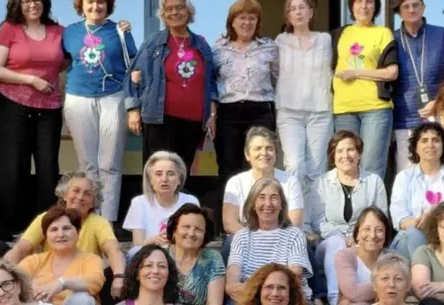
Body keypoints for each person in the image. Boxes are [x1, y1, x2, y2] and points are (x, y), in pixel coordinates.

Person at [126, 0, 218, 202]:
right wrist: (133, 109)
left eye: (180, 8)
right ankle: (152, 215)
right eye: (169, 9)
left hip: (193, 121)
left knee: (181, 175)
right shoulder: (153, 42)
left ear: (189, 12)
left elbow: (211, 81)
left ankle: (177, 217)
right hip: (159, 120)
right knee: (158, 173)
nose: (175, 12)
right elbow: (133, 75)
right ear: (163, 14)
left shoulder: (201, 44)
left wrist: (212, 113)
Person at [0, 0, 65, 241]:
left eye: (37, 0)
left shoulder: (58, 32)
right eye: (26, 1)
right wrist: (31, 80)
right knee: (12, 168)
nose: (33, 4)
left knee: (48, 170)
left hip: (49, 108)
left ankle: (47, 229)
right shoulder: (9, 29)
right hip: (11, 106)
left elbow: (71, 59)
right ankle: (8, 231)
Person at [62, 0, 137, 223]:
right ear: (81, 5)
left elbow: (133, 66)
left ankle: (107, 223)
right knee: (87, 165)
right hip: (78, 98)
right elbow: (59, 63)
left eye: (101, 2)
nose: (95, 6)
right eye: (90, 2)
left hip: (113, 97)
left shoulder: (120, 30)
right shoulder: (69, 32)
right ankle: (89, 220)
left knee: (109, 164)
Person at [4, 173, 127, 302]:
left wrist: (119, 277)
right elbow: (21, 249)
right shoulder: (47, 219)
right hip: (46, 289)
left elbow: (113, 251)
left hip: (82, 288)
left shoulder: (99, 223)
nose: (80, 197)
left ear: (93, 202)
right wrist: (3, 278)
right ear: (64, 195)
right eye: (76, 191)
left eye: (87, 194)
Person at [212, 0, 278, 209]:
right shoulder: (218, 49)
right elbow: (210, 84)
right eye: (242, 18)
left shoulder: (269, 47)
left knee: (260, 165)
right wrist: (211, 114)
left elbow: (281, 78)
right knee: (229, 167)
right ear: (232, 21)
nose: (247, 23)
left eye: (252, 18)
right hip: (228, 112)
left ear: (258, 22)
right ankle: (229, 220)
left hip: (260, 111)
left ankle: (259, 216)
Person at [313, 131, 388, 305]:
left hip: (363, 239)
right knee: (336, 242)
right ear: (333, 156)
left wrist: (357, 238)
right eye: (339, 151)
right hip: (328, 243)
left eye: (350, 150)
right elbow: (316, 221)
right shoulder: (321, 182)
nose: (345, 155)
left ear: (359, 154)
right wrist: (342, 237)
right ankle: (334, 300)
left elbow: (380, 218)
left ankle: (366, 298)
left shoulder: (374, 181)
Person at [225, 178, 312, 305]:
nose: (268, 204)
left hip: (286, 299)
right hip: (249, 301)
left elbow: (294, 275)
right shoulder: (241, 236)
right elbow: (231, 285)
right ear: (253, 204)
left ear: (282, 205)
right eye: (261, 197)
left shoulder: (295, 234)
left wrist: (260, 290)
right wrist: (262, 295)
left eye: (274, 197)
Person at [275, 0, 333, 223]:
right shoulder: (280, 41)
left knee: (316, 169)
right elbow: (272, 72)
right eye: (292, 8)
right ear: (287, 15)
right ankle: (293, 220)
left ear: (311, 12)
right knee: (295, 166)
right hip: (289, 111)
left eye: (302, 7)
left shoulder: (325, 40)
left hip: (320, 110)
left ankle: (312, 222)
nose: (297, 12)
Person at [331, 0, 398, 178]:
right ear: (351, 6)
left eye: (369, 2)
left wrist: (356, 73)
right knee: (346, 167)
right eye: (359, 1)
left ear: (375, 7)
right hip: (343, 109)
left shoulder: (383, 33)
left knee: (371, 168)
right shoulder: (340, 34)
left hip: (375, 109)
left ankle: (371, 199)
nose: (364, 6)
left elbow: (392, 72)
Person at [391, 0, 444, 173]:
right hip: (405, 119)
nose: (411, 10)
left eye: (416, 5)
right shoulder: (392, 39)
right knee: (408, 175)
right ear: (399, 12)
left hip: (440, 116)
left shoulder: (441, 35)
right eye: (406, 6)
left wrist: (439, 102)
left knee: (441, 172)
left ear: (423, 7)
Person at [389, 122, 444, 261]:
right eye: (424, 140)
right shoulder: (404, 177)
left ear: (443, 146)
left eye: (436, 140)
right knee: (410, 235)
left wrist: (434, 218)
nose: (430, 145)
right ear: (416, 147)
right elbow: (399, 217)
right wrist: (422, 224)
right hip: (415, 233)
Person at [221, 127, 304, 264]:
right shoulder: (235, 182)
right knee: (230, 243)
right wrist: (257, 239)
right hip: (246, 238)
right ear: (247, 155)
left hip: (281, 239)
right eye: (258, 148)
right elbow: (229, 223)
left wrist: (271, 238)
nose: (264, 153)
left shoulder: (290, 181)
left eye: (269, 148)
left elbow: (294, 221)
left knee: (302, 244)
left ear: (276, 153)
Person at [326, 207, 392, 305]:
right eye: (366, 229)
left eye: (379, 230)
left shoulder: (392, 259)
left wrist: (362, 295)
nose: (372, 235)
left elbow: (405, 288)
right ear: (357, 234)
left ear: (386, 235)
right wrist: (385, 291)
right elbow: (353, 291)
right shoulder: (344, 256)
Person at [123, 151, 200, 258]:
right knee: (133, 252)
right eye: (159, 174)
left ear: (179, 179)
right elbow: (138, 243)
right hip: (150, 256)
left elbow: (196, 238)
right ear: (150, 180)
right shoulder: (139, 203)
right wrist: (153, 241)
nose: (164, 179)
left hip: (181, 255)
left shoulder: (190, 201)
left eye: (171, 174)